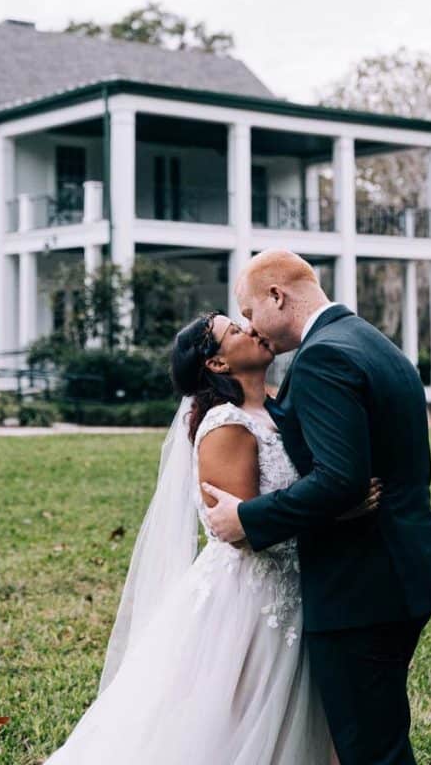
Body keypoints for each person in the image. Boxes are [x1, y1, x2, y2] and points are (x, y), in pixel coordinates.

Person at [42, 307, 380, 764]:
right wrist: (339, 510)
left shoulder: (283, 405)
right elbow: (243, 529)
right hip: (252, 599)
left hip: (304, 588)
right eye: (235, 330)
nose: (252, 329)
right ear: (217, 364)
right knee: (232, 721)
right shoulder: (227, 425)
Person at [204, 249, 431, 765]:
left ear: (277, 296)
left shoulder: (324, 355)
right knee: (379, 735)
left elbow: (342, 481)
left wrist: (247, 518)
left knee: (370, 751)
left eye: (250, 313)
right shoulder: (368, 340)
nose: (252, 328)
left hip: (362, 583)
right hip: (402, 570)